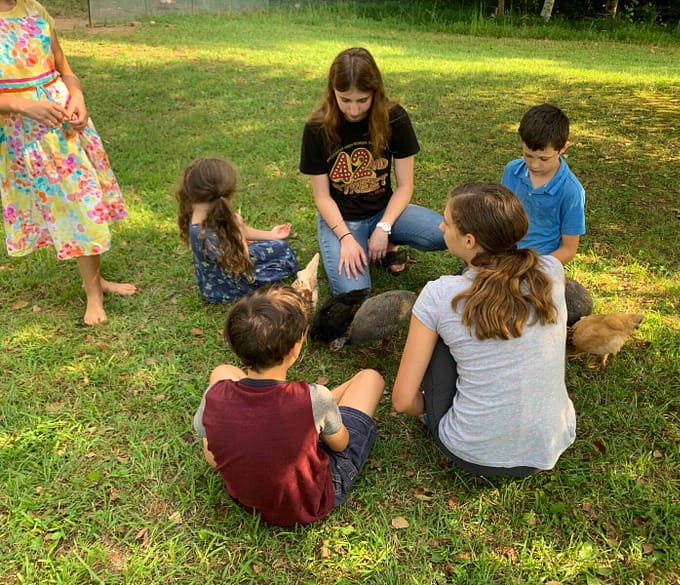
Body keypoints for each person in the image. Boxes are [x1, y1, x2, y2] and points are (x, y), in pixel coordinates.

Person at [392, 182, 576, 477]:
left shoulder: (440, 295)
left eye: (447, 222)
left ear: (469, 240)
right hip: (552, 442)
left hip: (472, 452)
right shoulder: (552, 270)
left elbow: (402, 400)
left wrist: (431, 410)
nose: (441, 226)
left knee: (438, 334)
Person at [193, 284, 384, 526]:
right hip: (311, 498)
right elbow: (340, 443)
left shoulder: (215, 395)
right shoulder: (316, 397)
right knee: (370, 378)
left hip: (246, 495)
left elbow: (211, 456)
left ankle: (314, 418)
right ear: (296, 348)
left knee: (222, 371)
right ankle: (317, 419)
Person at [0, 0, 137, 325]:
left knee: (83, 202)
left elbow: (67, 71)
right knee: (70, 207)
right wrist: (22, 105)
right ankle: (94, 291)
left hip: (67, 126)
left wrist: (77, 97)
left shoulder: (34, 10)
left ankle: (96, 287)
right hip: (26, 135)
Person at [299, 47, 445, 296]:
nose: (354, 110)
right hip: (341, 219)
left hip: (384, 211)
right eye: (344, 99)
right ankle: (340, 244)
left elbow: (405, 185)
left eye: (362, 100)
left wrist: (384, 227)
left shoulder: (394, 118)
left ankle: (387, 245)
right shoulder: (316, 128)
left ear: (375, 94)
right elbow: (322, 197)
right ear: (332, 91)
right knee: (355, 294)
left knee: (446, 234)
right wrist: (345, 238)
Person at [176, 157, 301, 304]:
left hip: (223, 269)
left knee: (275, 245)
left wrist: (271, 235)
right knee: (282, 250)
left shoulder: (200, 212)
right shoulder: (204, 234)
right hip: (225, 288)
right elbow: (242, 261)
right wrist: (239, 231)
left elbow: (233, 231)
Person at [501, 103, 585, 265]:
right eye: (528, 155)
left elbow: (569, 249)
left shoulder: (571, 191)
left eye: (544, 158)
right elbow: (502, 216)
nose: (534, 165)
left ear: (563, 148)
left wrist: (533, 266)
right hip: (505, 255)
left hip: (539, 264)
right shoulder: (512, 171)